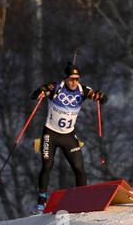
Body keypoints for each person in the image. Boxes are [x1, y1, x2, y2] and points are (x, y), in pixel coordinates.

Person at [30, 62, 108, 211]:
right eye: (71, 79)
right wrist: (40, 91)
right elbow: (36, 94)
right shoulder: (56, 87)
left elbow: (101, 98)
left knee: (79, 168)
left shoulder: (82, 90)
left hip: (68, 136)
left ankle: (82, 198)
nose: (74, 82)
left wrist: (100, 96)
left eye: (77, 79)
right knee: (47, 165)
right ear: (65, 78)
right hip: (50, 134)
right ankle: (41, 199)